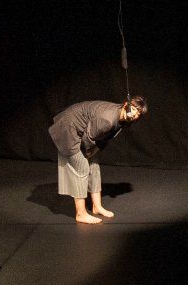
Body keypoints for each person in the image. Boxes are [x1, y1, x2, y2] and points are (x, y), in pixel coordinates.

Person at [48, 96, 146, 224]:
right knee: (82, 167)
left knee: (94, 166)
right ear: (126, 105)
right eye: (133, 109)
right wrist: (86, 155)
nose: (134, 114)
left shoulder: (121, 118)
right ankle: (81, 214)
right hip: (68, 128)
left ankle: (97, 207)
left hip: (84, 131)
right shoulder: (107, 119)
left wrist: (93, 152)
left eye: (138, 113)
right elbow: (87, 139)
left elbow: (103, 138)